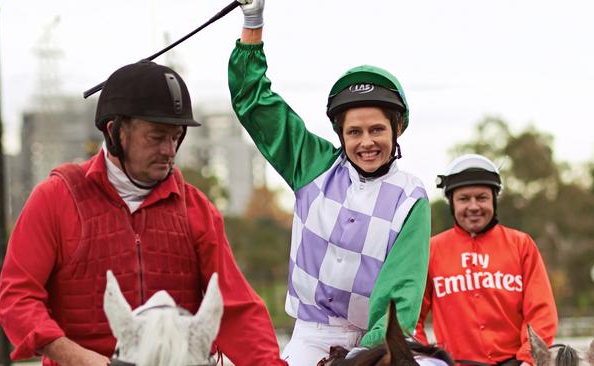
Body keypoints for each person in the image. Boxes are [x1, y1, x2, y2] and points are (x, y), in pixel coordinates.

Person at [0, 60, 287, 366]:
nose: (170, 151)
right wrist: (76, 357)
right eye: (157, 137)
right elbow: (18, 298)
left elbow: (238, 310)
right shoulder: (54, 198)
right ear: (115, 131)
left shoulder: (197, 208)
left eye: (175, 137)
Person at [230, 1, 431, 365]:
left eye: (377, 130)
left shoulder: (411, 198)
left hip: (381, 344)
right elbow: (254, 101)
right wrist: (252, 21)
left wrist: (364, 356)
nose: (366, 142)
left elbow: (399, 294)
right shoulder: (312, 164)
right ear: (340, 133)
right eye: (354, 132)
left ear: (397, 129)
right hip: (309, 339)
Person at [414, 154, 558, 366]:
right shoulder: (431, 250)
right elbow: (410, 316)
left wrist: (529, 360)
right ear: (451, 203)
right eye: (464, 199)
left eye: (481, 198)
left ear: (494, 200)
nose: (473, 206)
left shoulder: (521, 245)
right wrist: (425, 358)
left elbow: (541, 312)